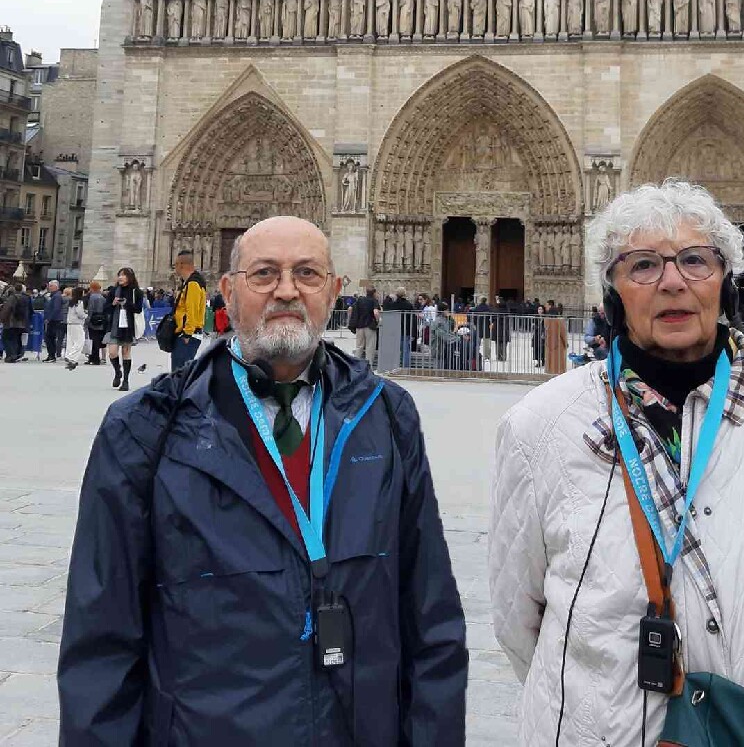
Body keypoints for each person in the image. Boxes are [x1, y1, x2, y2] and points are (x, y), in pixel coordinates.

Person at [489, 180, 744, 747]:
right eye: (643, 265)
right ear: (612, 295)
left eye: (695, 260)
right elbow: (517, 618)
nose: (672, 281)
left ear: (727, 285)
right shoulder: (539, 428)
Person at [58, 215, 467, 745]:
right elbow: (101, 643)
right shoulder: (144, 428)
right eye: (264, 273)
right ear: (227, 292)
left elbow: (430, 618)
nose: (287, 291)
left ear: (335, 292)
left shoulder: (387, 416)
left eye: (307, 274)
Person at [104, 267, 144, 390]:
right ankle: (118, 371)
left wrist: (126, 303)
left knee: (126, 353)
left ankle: (126, 381)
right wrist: (113, 303)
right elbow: (106, 308)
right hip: (114, 325)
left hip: (128, 326)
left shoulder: (136, 292)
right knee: (112, 352)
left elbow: (138, 309)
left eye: (123, 275)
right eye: (119, 275)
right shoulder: (114, 291)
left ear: (129, 277)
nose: (120, 277)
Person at [170, 249, 207, 371]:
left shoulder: (193, 284)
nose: (174, 268)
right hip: (187, 334)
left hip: (188, 336)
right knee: (180, 373)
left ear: (181, 265)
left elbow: (192, 310)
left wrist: (187, 334)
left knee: (179, 373)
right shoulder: (190, 283)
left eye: (175, 264)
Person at [348, 283, 380, 365]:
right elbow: (376, 312)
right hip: (369, 326)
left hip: (359, 326)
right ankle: (368, 366)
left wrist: (352, 319)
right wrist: (378, 321)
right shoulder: (374, 301)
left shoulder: (360, 300)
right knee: (370, 347)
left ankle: (356, 366)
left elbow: (350, 309)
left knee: (359, 347)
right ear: (374, 292)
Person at [0, 282, 30, 361]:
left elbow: (7, 309)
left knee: (6, 338)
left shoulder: (12, 298)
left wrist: (2, 319)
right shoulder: (25, 298)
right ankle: (17, 354)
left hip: (11, 322)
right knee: (15, 339)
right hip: (21, 322)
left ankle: (10, 355)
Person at [63, 287, 87, 370]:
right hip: (77, 323)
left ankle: (68, 355)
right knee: (80, 342)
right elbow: (80, 314)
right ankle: (72, 357)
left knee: (71, 341)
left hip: (70, 323)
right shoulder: (79, 302)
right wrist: (86, 315)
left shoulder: (71, 302)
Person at [44, 279, 67, 362]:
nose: (49, 287)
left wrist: (49, 318)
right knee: (50, 337)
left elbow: (56, 308)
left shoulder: (57, 296)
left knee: (49, 337)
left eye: (51, 286)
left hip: (54, 319)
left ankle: (52, 355)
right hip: (54, 319)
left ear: (56, 287)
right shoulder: (53, 295)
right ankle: (51, 354)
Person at [85, 280, 107, 364]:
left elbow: (90, 309)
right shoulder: (102, 297)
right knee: (98, 340)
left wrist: (87, 320)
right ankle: (95, 358)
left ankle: (93, 358)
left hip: (93, 320)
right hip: (101, 320)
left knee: (92, 340)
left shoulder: (92, 297)